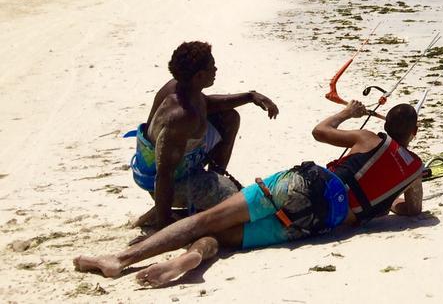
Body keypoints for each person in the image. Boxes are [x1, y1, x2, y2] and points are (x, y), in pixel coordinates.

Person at [76, 100, 423, 288]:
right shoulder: (414, 169)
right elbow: (412, 210)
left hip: (303, 185)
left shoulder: (369, 139)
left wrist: (348, 112)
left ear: (387, 126)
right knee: (218, 238)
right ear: (414, 132)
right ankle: (193, 258)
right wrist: (391, 204)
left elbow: (320, 131)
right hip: (321, 220)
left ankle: (118, 261)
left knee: (204, 219)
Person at [130, 41, 279, 230]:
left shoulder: (183, 89)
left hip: (182, 163)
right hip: (170, 183)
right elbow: (164, 175)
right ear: (199, 76)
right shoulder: (180, 117)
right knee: (235, 201)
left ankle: (206, 192)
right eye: (211, 67)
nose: (216, 69)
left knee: (229, 118)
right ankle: (171, 212)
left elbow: (208, 103)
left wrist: (250, 97)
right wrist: (164, 224)